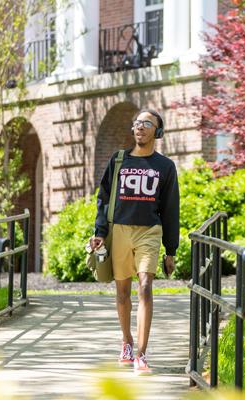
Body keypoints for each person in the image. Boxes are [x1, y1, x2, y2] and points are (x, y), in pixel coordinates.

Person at [90, 109, 180, 375]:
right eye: (137, 123)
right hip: (119, 230)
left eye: (147, 124)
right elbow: (103, 198)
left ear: (158, 132)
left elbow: (170, 209)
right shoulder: (119, 161)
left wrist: (170, 250)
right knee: (122, 292)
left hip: (149, 232)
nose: (140, 127)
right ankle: (127, 342)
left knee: (145, 286)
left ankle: (142, 353)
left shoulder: (165, 167)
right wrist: (99, 231)